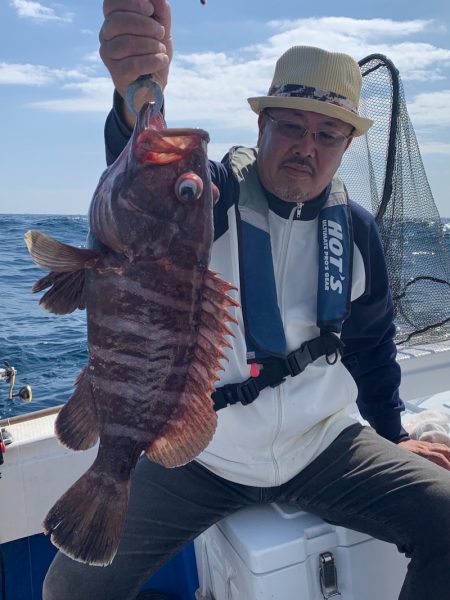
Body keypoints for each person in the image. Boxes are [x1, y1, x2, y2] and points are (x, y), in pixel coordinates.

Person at [43, 1, 450, 598]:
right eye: (290, 125)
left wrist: (391, 437)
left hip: (325, 445)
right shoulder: (208, 198)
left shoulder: (357, 232)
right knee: (71, 589)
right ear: (261, 127)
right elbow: (147, 191)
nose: (306, 147)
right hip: (205, 457)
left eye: (326, 134)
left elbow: (371, 347)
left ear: (345, 146)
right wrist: (136, 92)